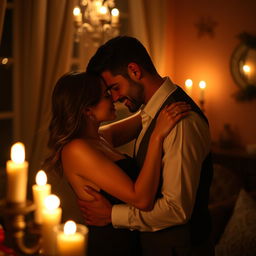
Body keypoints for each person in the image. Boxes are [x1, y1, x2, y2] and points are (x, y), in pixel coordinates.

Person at [78, 36, 214, 256]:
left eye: (114, 88)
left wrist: (111, 214)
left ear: (134, 70)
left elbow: (176, 210)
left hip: (179, 248)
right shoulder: (153, 112)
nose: (113, 98)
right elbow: (103, 136)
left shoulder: (179, 122)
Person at [44, 71, 190, 255]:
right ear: (87, 110)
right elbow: (141, 199)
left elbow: (148, 115)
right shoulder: (76, 150)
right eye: (106, 95)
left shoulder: (101, 137)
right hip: (111, 246)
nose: (113, 98)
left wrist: (167, 94)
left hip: (132, 240)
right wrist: (156, 137)